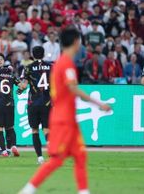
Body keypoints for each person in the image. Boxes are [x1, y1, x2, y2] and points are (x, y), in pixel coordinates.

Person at [19, 28, 111, 194]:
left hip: (66, 118)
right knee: (57, 160)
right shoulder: (64, 63)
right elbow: (72, 87)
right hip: (64, 119)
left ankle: (83, 191)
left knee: (80, 157)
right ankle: (27, 190)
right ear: (76, 42)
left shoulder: (60, 63)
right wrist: (98, 103)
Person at [20, 46, 51, 164]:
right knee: (47, 129)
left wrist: (19, 89)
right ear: (43, 54)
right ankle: (50, 147)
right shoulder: (51, 66)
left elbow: (23, 85)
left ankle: (40, 157)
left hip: (33, 102)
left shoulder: (28, 68)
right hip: (47, 101)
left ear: (32, 55)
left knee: (34, 130)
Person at [0, 53, 24, 157]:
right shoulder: (10, 74)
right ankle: (13, 146)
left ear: (3, 62)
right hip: (10, 104)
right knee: (10, 127)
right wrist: (20, 91)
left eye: (1, 59)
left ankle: (3, 150)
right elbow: (22, 86)